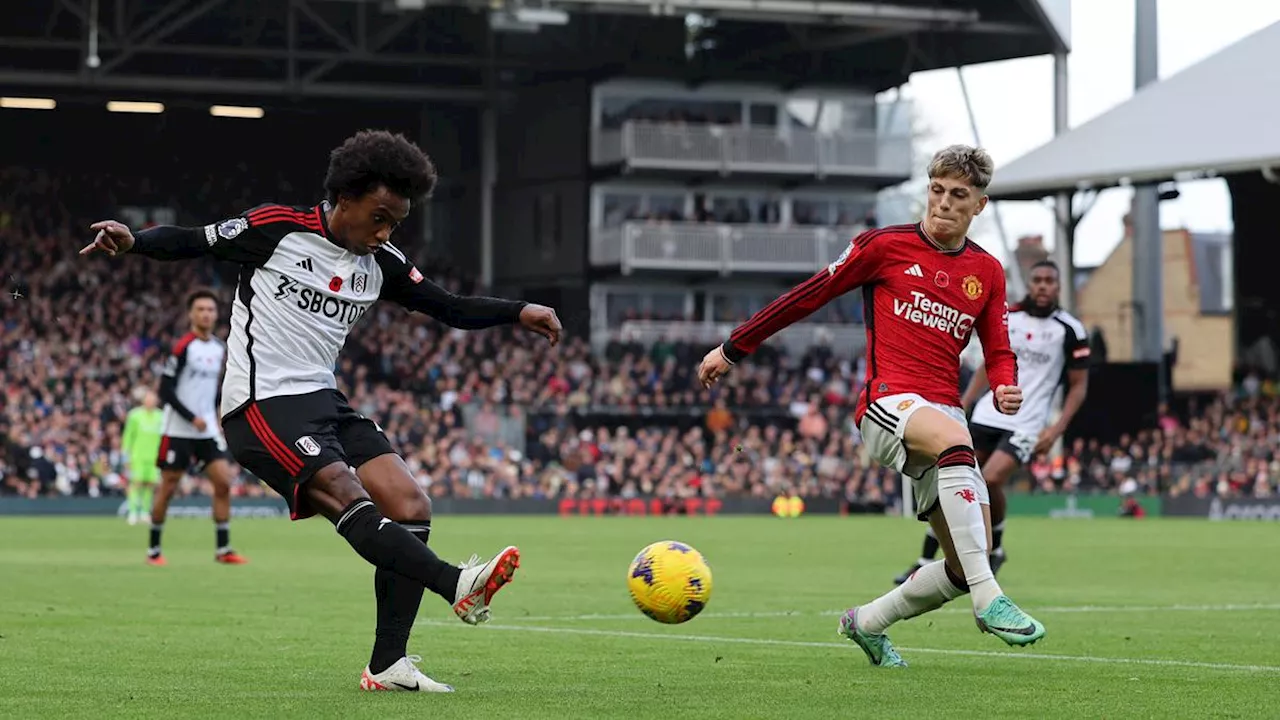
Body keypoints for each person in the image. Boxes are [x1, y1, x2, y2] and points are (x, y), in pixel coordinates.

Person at [81, 129, 563, 692]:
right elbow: (192, 240)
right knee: (344, 492)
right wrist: (134, 240)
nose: (384, 232)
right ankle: (457, 583)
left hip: (322, 399)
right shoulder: (277, 229)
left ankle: (388, 664)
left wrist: (518, 310)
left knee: (410, 502)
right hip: (259, 403)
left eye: (395, 223)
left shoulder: (379, 260)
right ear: (344, 197)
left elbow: (448, 307)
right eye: (379, 216)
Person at [698, 144, 1044, 667]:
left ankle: (866, 623)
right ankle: (990, 598)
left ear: (979, 206)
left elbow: (998, 347)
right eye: (937, 190)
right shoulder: (885, 246)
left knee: (956, 566)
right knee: (961, 457)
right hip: (889, 403)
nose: (944, 203)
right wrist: (734, 346)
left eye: (959, 195)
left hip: (944, 416)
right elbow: (809, 294)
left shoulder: (988, 272)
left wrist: (1004, 384)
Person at [893, 259, 1089, 584]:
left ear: (1057, 286)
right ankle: (925, 558)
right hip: (986, 413)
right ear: (1030, 283)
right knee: (952, 479)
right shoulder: (1009, 316)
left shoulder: (1070, 330)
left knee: (990, 479)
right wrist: (964, 402)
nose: (1042, 285)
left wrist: (1056, 430)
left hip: (1027, 422)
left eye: (1049, 280)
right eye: (1037, 279)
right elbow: (990, 362)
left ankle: (995, 548)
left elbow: (1079, 385)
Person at [147, 289, 249, 567]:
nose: (206, 314)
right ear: (191, 314)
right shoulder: (183, 347)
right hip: (178, 429)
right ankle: (154, 551)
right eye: (201, 309)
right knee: (168, 488)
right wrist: (192, 417)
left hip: (206, 430)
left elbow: (210, 391)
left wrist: (215, 413)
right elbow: (165, 390)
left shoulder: (218, 349)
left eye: (210, 309)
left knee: (223, 482)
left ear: (216, 315)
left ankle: (223, 548)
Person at [121, 390, 164, 525]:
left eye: (153, 398)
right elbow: (128, 436)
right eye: (149, 398)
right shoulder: (134, 415)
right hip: (137, 456)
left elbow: (164, 438)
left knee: (150, 485)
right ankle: (133, 512)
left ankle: (145, 512)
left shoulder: (160, 416)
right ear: (144, 400)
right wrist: (125, 457)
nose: (151, 401)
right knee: (136, 484)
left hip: (154, 457)